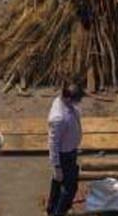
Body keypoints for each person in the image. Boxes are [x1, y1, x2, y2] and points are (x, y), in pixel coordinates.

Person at [46, 83, 84, 216]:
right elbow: (53, 144)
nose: (78, 103)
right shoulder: (58, 118)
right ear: (68, 99)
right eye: (77, 100)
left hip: (70, 151)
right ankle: (59, 212)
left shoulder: (64, 104)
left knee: (58, 182)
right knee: (69, 187)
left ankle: (51, 209)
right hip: (64, 156)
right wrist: (57, 167)